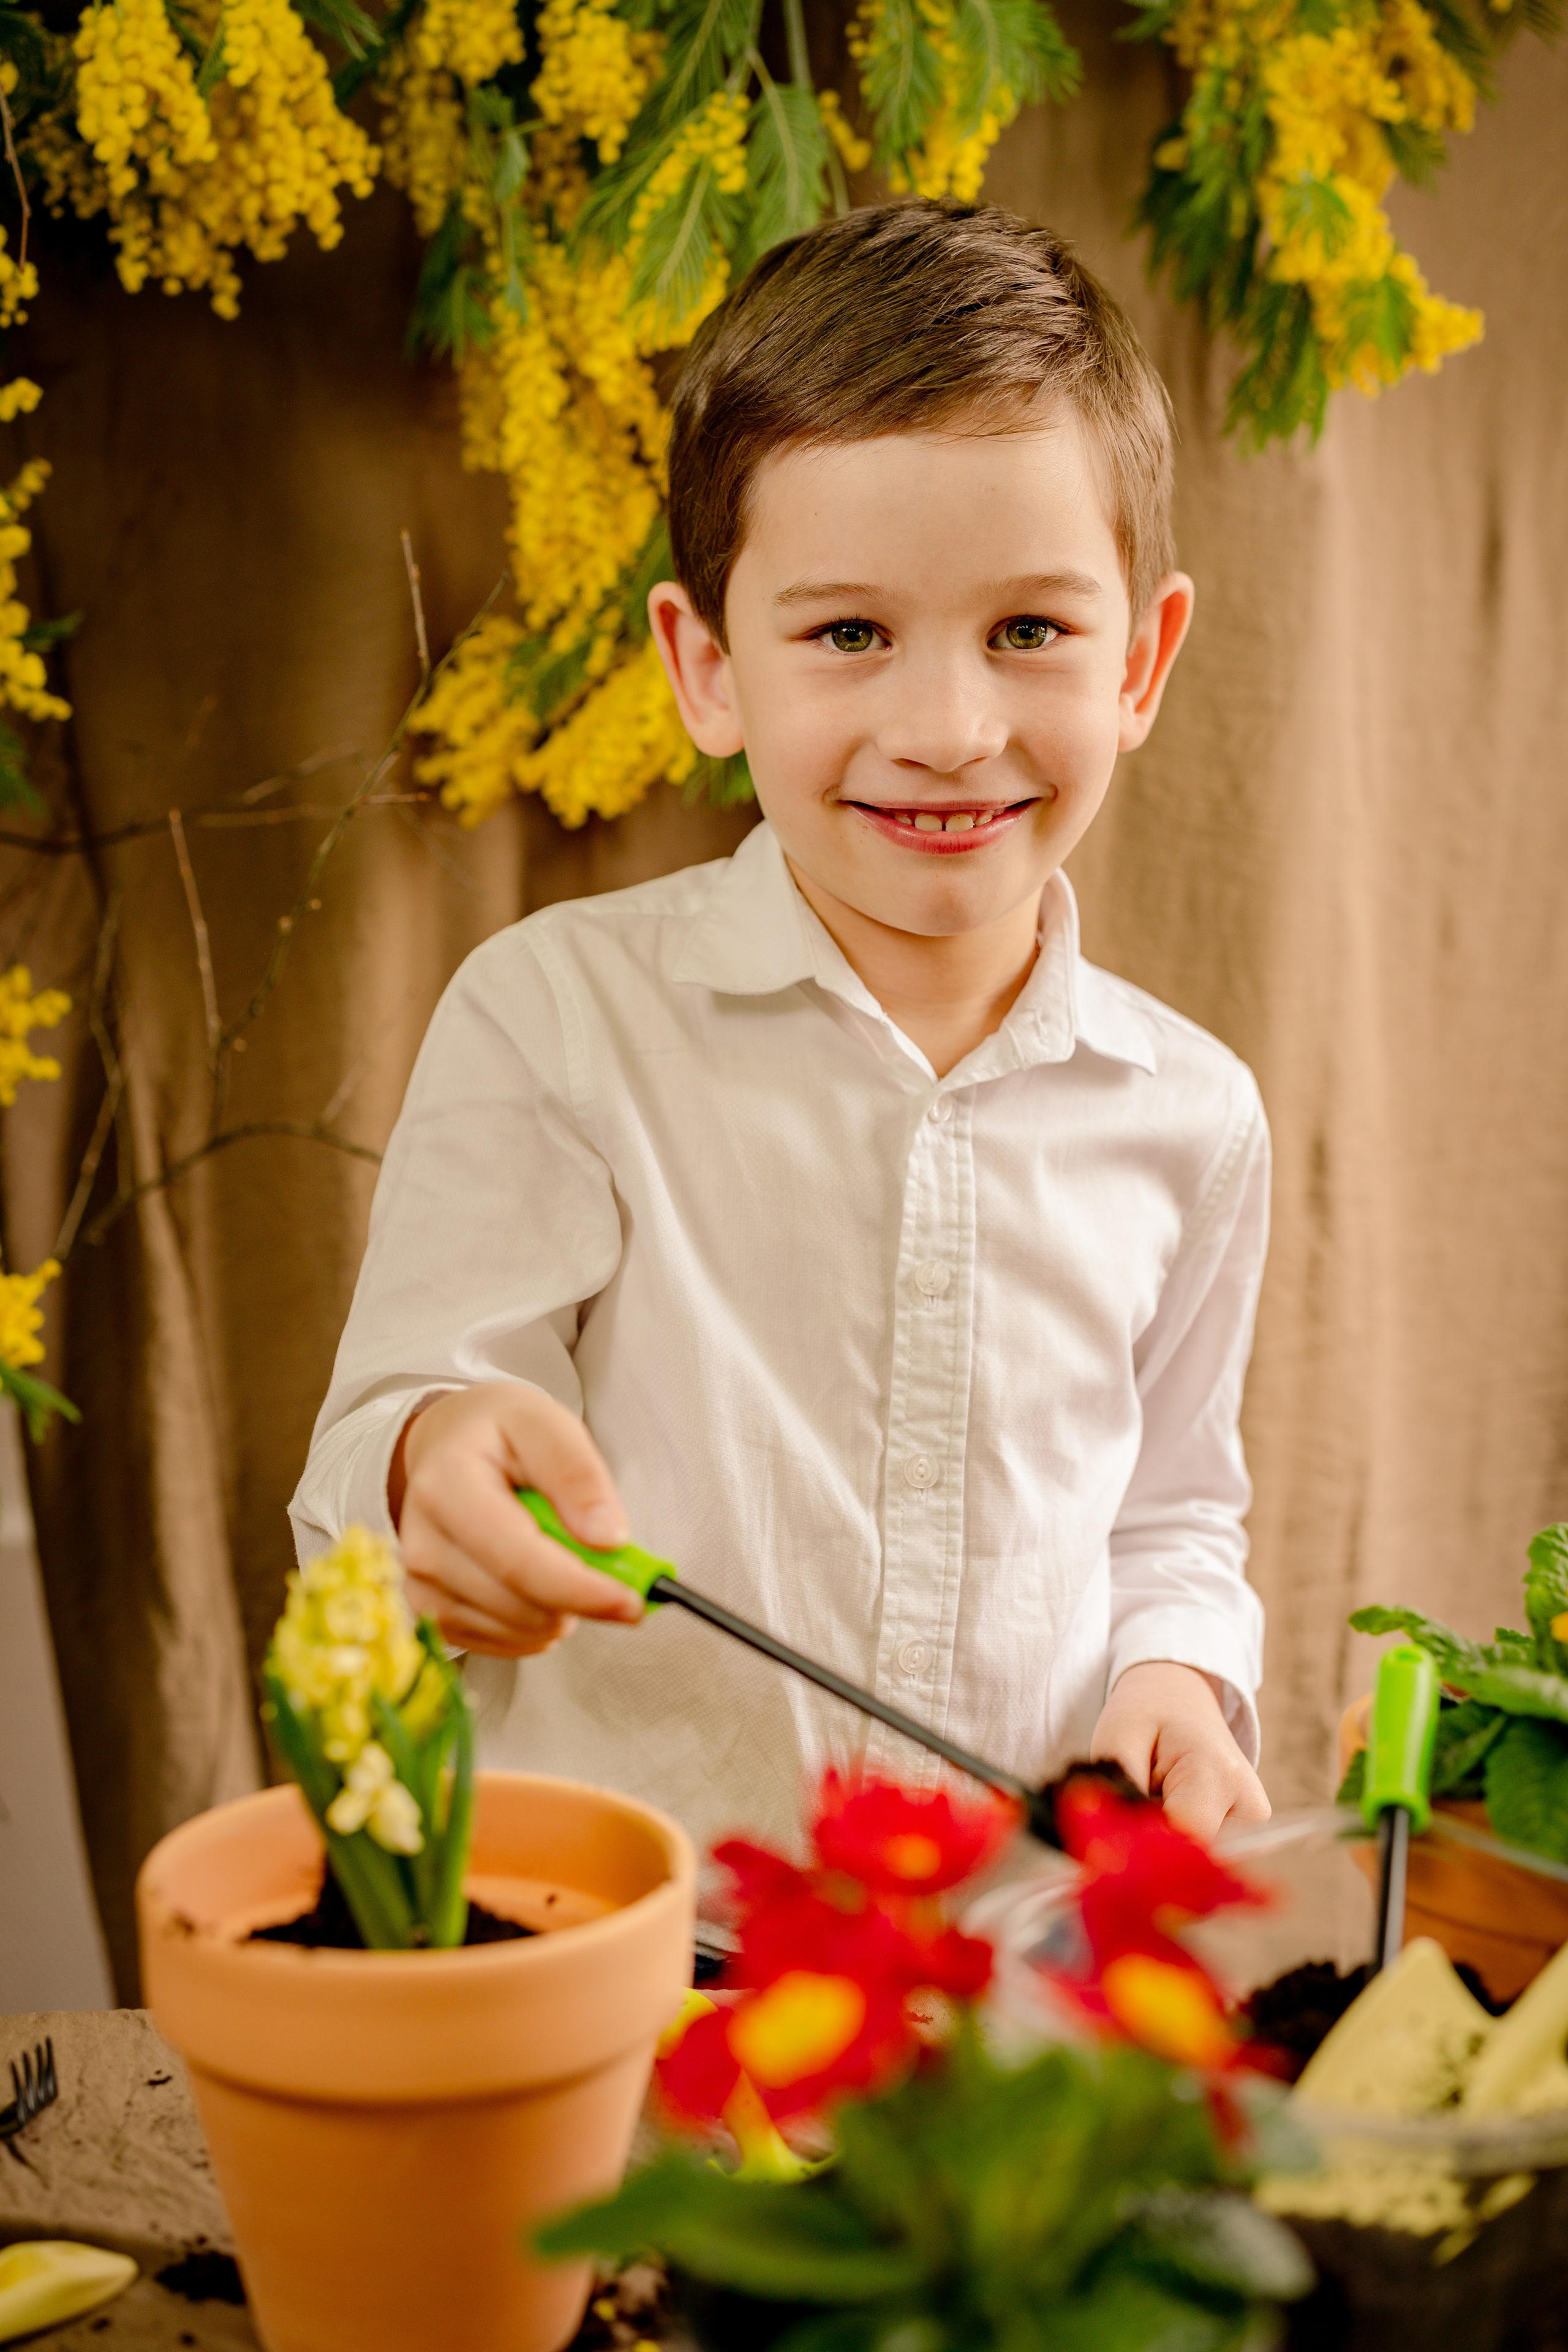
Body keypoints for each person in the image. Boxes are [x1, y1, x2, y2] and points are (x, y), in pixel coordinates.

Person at [291, 200, 1272, 1852]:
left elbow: (1173, 1516)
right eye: (848, 635)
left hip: (1007, 1961)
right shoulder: (556, 1021)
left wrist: (1174, 1669)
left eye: (1029, 631)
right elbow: (390, 1444)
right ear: (709, 668)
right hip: (632, 1940)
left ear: (1142, 662)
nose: (948, 728)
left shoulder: (1196, 1115)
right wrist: (430, 1463)